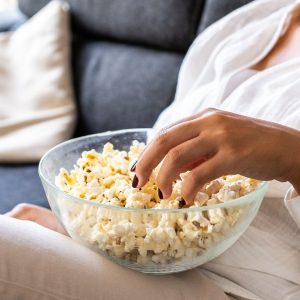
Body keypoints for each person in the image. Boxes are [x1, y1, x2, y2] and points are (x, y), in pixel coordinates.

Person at [2, 0, 300, 299]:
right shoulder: (249, 24)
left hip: (242, 290)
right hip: (145, 260)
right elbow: (158, 170)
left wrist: (291, 156)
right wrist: (96, 230)